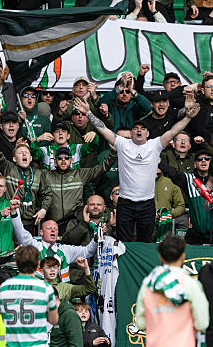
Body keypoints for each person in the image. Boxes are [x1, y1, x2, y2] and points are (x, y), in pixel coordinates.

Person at [76, 90, 199, 242]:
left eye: (142, 128)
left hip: (147, 204)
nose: (139, 130)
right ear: (132, 132)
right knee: (124, 242)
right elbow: (102, 129)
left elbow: (174, 130)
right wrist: (88, 113)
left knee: (146, 241)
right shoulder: (122, 143)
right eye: (135, 128)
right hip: (125, 203)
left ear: (148, 133)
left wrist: (188, 117)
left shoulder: (155, 145)